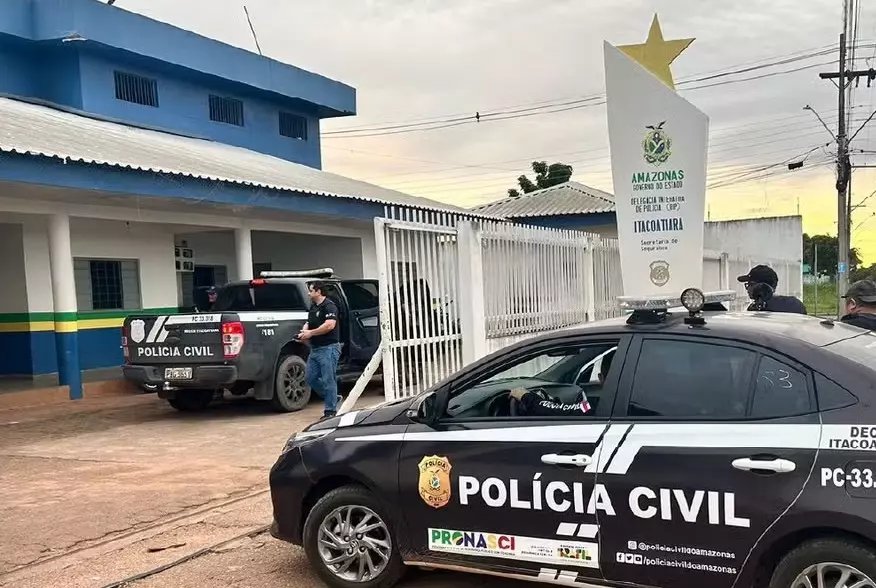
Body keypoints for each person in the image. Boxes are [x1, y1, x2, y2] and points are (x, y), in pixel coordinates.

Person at [509, 350, 614, 417]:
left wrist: (526, 397)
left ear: (601, 378)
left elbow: (560, 411)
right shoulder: (614, 404)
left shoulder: (599, 406)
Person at [299, 282, 343, 418]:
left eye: (311, 291)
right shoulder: (313, 307)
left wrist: (310, 333)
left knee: (328, 379)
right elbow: (309, 322)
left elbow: (329, 325)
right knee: (310, 378)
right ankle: (333, 397)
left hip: (329, 348)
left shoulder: (329, 306)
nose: (308, 293)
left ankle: (330, 411)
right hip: (315, 349)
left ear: (318, 292)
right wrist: (304, 331)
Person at [737, 264, 807, 314]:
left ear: (761, 286)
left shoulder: (756, 309)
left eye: (750, 284)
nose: (747, 288)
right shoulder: (796, 304)